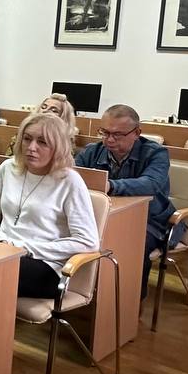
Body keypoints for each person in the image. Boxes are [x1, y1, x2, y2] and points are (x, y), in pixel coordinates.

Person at [0, 113, 100, 298]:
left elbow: (88, 241)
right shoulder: (8, 168)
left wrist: (24, 248)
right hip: (1, 251)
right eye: (27, 139)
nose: (31, 147)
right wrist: (0, 239)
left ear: (58, 147)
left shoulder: (69, 181)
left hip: (45, 264)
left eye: (42, 142)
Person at [75, 104, 177, 297]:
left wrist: (111, 186)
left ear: (137, 133)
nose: (109, 139)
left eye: (117, 135)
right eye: (104, 132)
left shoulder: (155, 153)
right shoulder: (92, 151)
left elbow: (151, 183)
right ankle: (82, 291)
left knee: (132, 246)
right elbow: (73, 176)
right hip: (100, 217)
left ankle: (130, 301)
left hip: (148, 220)